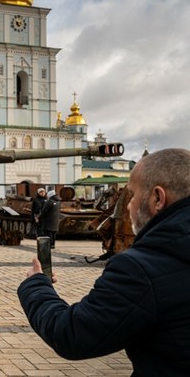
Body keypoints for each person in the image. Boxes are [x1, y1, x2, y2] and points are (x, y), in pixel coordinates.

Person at [17, 148, 190, 375]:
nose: (128, 206)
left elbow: (71, 334)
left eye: (132, 195)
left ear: (157, 198)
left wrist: (36, 285)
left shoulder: (141, 269)